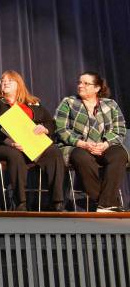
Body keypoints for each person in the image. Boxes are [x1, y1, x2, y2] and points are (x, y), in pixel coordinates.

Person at [0, 70, 65, 211]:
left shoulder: (32, 103)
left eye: (9, 80)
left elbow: (50, 122)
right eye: (2, 80)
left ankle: (57, 201)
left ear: (19, 84)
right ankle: (21, 202)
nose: (5, 83)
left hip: (31, 143)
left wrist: (44, 129)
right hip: (4, 144)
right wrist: (8, 141)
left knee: (53, 151)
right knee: (15, 154)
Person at [55, 72, 128, 212]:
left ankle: (104, 204)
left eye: (85, 83)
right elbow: (61, 130)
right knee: (81, 157)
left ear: (97, 88)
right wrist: (83, 144)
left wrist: (105, 144)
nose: (80, 85)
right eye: (79, 82)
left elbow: (120, 129)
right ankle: (108, 203)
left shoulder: (111, 104)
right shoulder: (69, 103)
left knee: (119, 154)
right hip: (77, 146)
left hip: (103, 146)